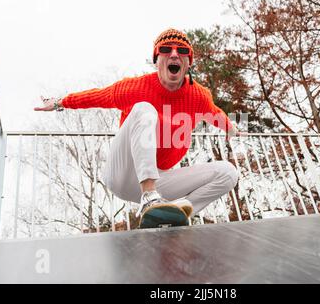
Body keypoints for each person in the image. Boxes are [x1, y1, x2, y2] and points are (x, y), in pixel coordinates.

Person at [34, 28, 240, 226]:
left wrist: (231, 128)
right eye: (166, 50)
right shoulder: (135, 88)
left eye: (182, 51)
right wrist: (60, 102)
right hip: (122, 172)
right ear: (157, 60)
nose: (174, 54)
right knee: (143, 109)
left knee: (228, 172)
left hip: (161, 179)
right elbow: (96, 96)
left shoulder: (198, 96)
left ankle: (172, 213)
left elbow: (214, 113)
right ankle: (149, 197)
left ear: (188, 63)